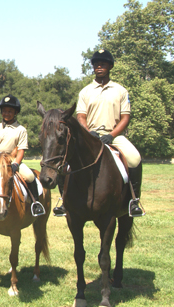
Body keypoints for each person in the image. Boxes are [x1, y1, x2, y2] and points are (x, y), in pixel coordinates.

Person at [52, 49, 144, 218]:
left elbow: (125, 117)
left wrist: (112, 135)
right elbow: (80, 116)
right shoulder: (85, 91)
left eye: (103, 63)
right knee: (64, 161)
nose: (99, 66)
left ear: (110, 66)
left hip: (114, 135)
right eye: (96, 64)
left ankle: (133, 201)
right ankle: (64, 201)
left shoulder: (120, 90)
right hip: (90, 136)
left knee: (134, 158)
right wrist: (88, 132)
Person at [0, 94, 45, 217]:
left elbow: (21, 150)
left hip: (12, 160)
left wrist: (16, 163)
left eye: (10, 111)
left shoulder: (21, 129)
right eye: (4, 111)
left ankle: (35, 203)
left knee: (30, 176)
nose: (7, 113)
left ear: (15, 112)